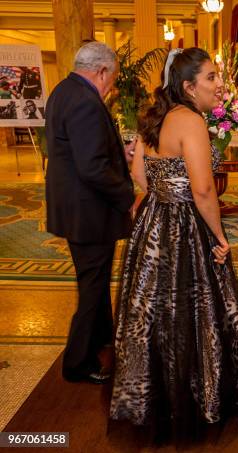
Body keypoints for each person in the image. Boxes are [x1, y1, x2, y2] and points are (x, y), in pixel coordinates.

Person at [110, 48, 238, 441]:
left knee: (154, 312)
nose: (219, 85)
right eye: (211, 78)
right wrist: (220, 236)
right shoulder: (190, 120)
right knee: (197, 311)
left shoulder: (153, 118)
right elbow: (204, 189)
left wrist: (163, 194)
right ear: (189, 86)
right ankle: (199, 397)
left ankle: (155, 396)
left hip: (153, 223)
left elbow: (139, 175)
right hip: (186, 226)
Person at [45, 42, 135, 384]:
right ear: (101, 71)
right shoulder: (86, 101)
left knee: (92, 284)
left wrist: (117, 149)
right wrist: (128, 197)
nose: (112, 84)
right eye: (111, 76)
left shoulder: (63, 90)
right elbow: (93, 168)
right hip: (89, 212)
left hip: (75, 208)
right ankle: (77, 363)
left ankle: (103, 343)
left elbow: (82, 150)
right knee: (92, 288)